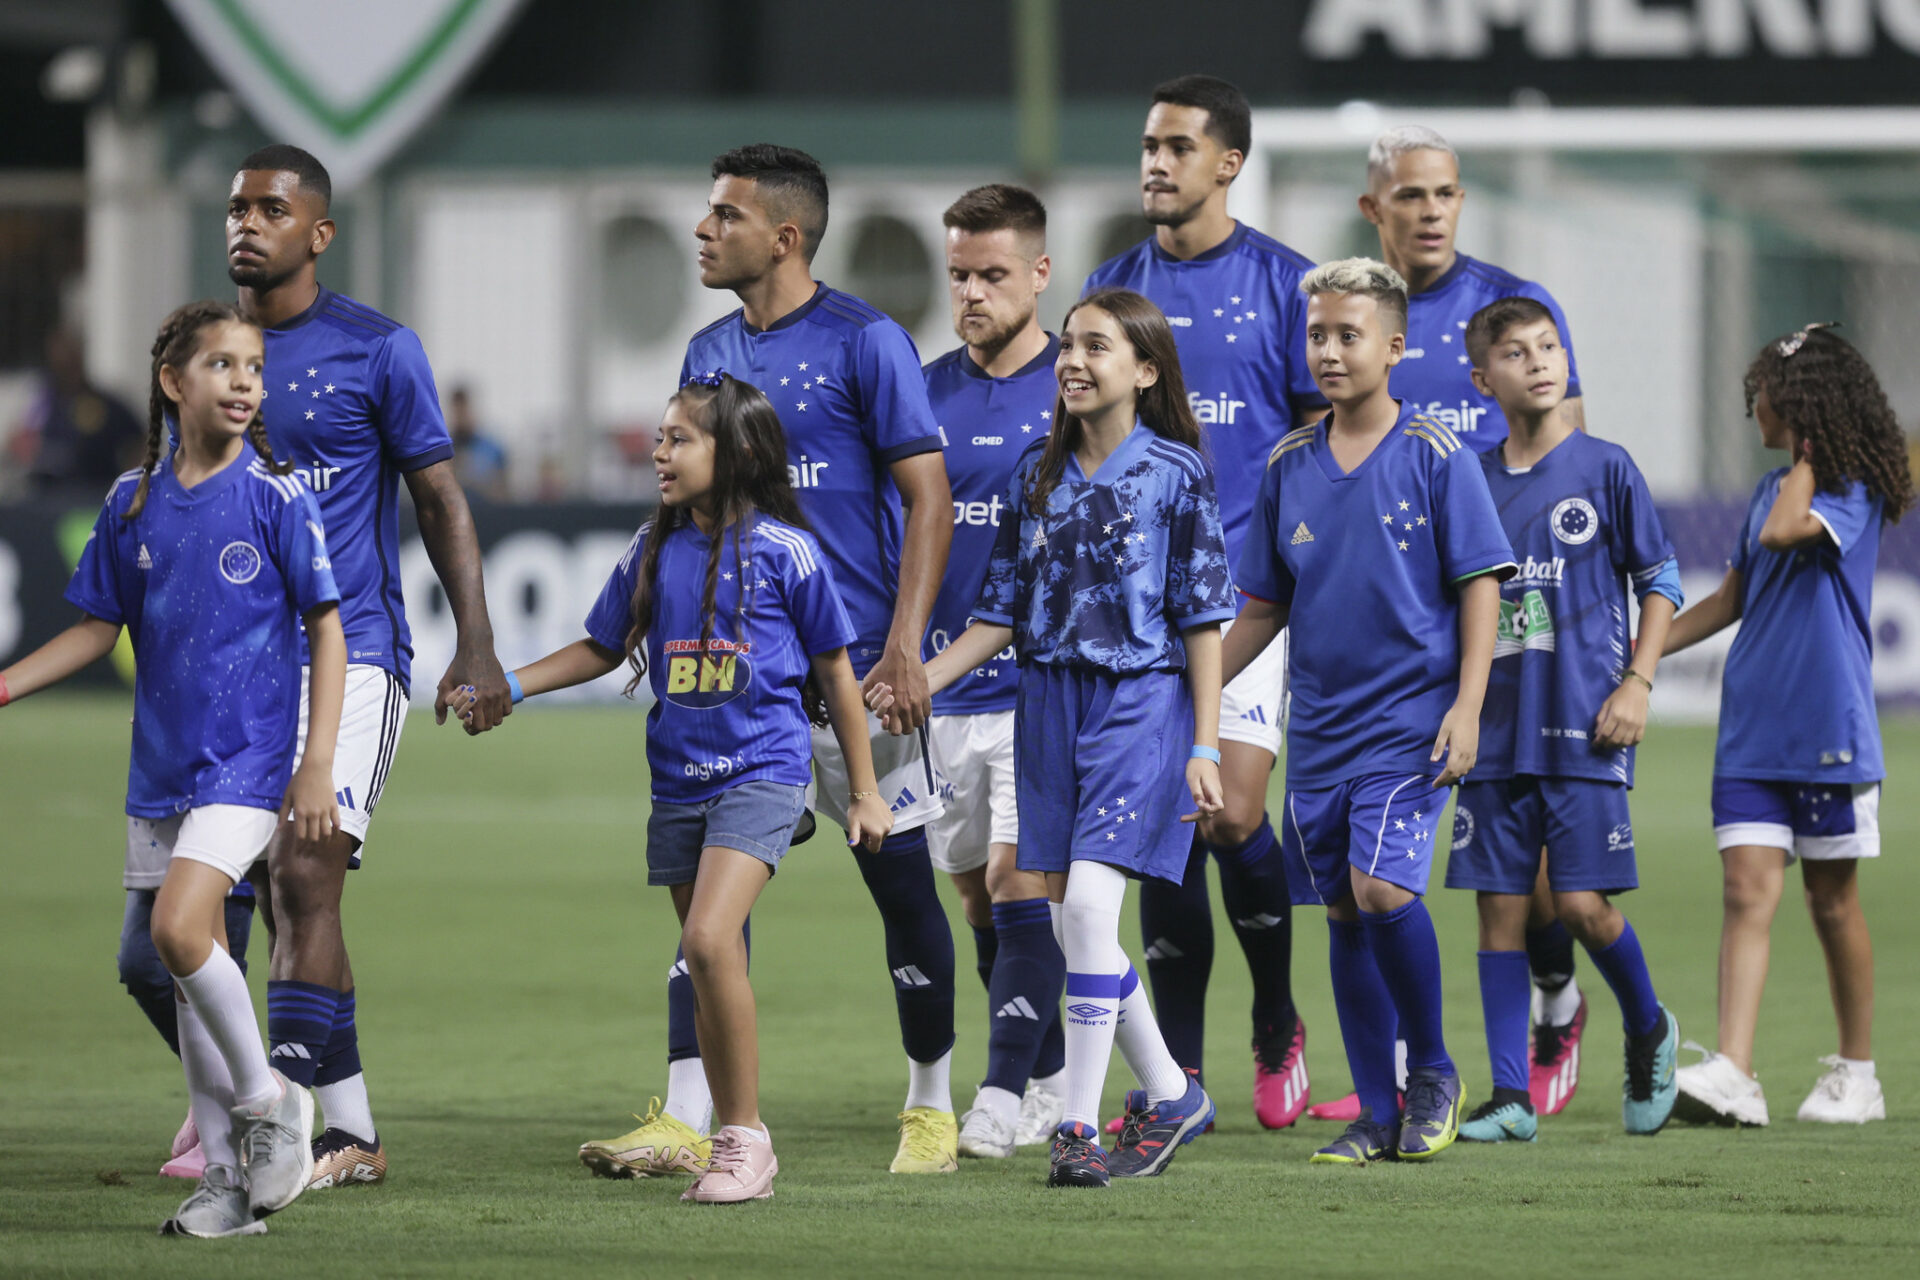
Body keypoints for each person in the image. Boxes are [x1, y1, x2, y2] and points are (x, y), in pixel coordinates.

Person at [578, 144, 960, 1177]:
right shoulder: (706, 349)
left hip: (853, 665)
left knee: (902, 882)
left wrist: (902, 644)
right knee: (710, 904)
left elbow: (930, 498)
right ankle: (689, 1111)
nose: (703, 231)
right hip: (742, 674)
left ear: (784, 237)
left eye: (723, 216)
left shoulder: (867, 341)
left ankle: (930, 1101)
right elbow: (686, 496)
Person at [466, 374, 892, 1201]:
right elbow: (601, 644)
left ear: (734, 453)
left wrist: (866, 790)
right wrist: (509, 687)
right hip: (677, 785)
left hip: (764, 774)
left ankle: (745, 1141)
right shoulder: (653, 548)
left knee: (705, 940)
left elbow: (837, 673)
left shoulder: (786, 551)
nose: (660, 453)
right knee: (711, 958)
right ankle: (727, 1137)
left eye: (679, 439)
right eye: (660, 438)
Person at [1, 300, 342, 1235]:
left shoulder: (276, 496)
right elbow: (91, 630)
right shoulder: (130, 501)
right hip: (161, 771)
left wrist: (315, 764)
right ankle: (228, 1186)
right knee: (184, 964)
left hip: (248, 764)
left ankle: (273, 1102)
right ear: (172, 382)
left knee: (182, 927)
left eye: (254, 368)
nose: (245, 382)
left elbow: (327, 628)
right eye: (224, 365)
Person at [879, 287, 1231, 1187]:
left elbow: (1201, 621)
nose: (1072, 360)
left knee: (1081, 913)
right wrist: (918, 677)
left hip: (1140, 704)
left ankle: (1075, 1128)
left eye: (1097, 347)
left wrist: (1204, 742)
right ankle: (1169, 1091)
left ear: (1145, 372)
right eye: (1068, 345)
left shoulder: (1177, 472)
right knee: (1079, 927)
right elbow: (999, 614)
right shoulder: (1036, 470)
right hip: (1046, 705)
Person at [226, 144, 510, 1190]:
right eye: (235, 208)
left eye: (269, 208)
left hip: (355, 659)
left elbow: (440, 499)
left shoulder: (379, 349)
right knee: (267, 885)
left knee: (307, 869)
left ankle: (284, 1125)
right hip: (237, 667)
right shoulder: (211, 353)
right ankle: (348, 1129)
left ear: (319, 232)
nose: (244, 225)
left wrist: (473, 641)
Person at [1313, 124, 1592, 1125]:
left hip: (1503, 591)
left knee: (1529, 836)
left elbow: (1567, 451)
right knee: (1376, 867)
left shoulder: (1508, 305)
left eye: (1446, 193)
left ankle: (1557, 993)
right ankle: (1393, 1064)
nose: (1431, 210)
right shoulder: (1346, 312)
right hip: (1389, 619)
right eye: (1412, 194)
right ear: (1373, 208)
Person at [1222, 259, 1514, 1164]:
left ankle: (1432, 1070)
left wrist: (1468, 705)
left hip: (1411, 721)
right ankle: (1377, 1112)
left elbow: (1478, 587)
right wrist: (1191, 696)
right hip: (1319, 730)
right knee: (1345, 911)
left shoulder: (1434, 453)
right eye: (1318, 334)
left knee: (1385, 889)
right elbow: (1264, 605)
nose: (1330, 350)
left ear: (1394, 347)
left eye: (1349, 335)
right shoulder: (1289, 463)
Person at [1083, 73, 1319, 1131]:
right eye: (1148, 143)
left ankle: (1275, 1013)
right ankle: (1174, 1075)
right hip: (1132, 617)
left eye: (1178, 146)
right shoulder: (1113, 287)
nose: (1155, 163)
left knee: (1229, 812)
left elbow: (1325, 440)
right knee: (1163, 831)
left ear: (1229, 163)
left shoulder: (1286, 285)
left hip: (1247, 602)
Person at [1445, 296, 1683, 1142]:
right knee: (1499, 909)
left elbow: (1661, 583)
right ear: (1483, 378)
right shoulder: (1466, 479)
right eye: (1517, 352)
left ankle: (1649, 1025)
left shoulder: (1607, 467)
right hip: (1495, 732)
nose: (1541, 361)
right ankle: (1512, 1096)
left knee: (1581, 905)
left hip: (1588, 727)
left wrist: (1638, 684)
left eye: (1550, 346)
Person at [1662, 323, 1908, 1127]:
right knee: (1746, 890)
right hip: (1751, 727)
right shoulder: (1773, 490)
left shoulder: (1847, 490)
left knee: (1832, 902)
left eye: (1763, 390)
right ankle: (1736, 1070)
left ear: (1798, 403)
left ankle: (1858, 1074)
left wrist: (1809, 452)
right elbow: (1733, 596)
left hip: (1826, 729)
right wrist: (1640, 653)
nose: (1751, 405)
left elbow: (1784, 534)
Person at [922, 184, 1071, 1158]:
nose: (972, 292)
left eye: (993, 275)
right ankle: (1054, 1073)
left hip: (1043, 688)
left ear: (1040, 273)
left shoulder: (1079, 386)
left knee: (1025, 883)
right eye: (960, 275)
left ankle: (998, 1093)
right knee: (977, 896)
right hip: (938, 687)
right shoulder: (919, 390)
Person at [447, 386, 509, 502]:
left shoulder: (492, 449)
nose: (460, 416)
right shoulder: (443, 451)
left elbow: (503, 491)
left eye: (463, 409)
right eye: (456, 410)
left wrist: (473, 479)